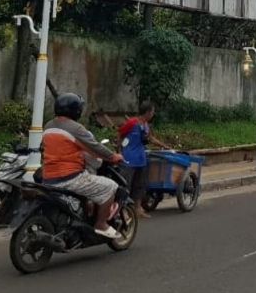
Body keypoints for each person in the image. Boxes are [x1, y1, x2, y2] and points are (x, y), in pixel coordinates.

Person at [42, 93, 123, 239]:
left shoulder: (48, 126)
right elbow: (95, 146)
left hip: (48, 178)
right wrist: (113, 156)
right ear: (77, 110)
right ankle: (101, 224)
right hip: (70, 178)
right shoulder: (75, 128)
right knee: (110, 186)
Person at [117, 101, 168, 219]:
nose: (153, 114)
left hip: (141, 159)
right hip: (128, 159)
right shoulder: (132, 122)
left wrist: (164, 146)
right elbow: (120, 133)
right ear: (148, 112)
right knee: (126, 185)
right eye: (153, 112)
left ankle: (137, 208)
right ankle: (123, 211)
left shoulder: (146, 125)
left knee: (140, 185)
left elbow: (150, 138)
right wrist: (119, 151)